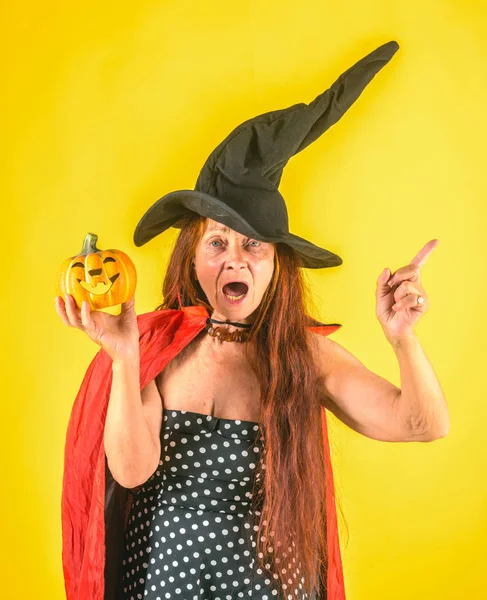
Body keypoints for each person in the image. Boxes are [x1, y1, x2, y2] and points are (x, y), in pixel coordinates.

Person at [57, 41, 400, 600]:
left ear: (276, 265)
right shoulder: (151, 345)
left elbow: (421, 423)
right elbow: (131, 470)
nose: (235, 258)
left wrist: (402, 339)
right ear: (191, 256)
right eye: (216, 241)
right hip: (164, 584)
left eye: (254, 245)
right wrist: (122, 357)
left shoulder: (304, 356)